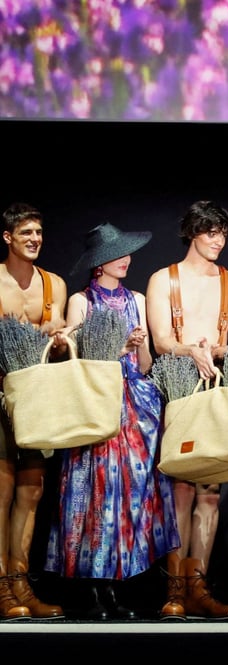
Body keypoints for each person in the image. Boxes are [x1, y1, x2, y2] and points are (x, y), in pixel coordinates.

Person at [44, 223, 180, 620]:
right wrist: (119, 346)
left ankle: (120, 584)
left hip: (134, 405)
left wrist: (137, 349)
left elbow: (145, 365)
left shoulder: (136, 299)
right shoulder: (81, 302)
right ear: (98, 262)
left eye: (126, 252)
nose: (125, 259)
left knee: (130, 495)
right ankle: (94, 586)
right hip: (97, 402)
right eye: (117, 253)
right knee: (97, 492)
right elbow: (79, 359)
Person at [146, 199, 228, 620]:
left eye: (223, 233)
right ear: (192, 232)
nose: (217, 240)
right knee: (179, 490)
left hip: (218, 387)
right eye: (210, 232)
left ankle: (198, 586)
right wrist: (189, 349)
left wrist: (214, 348)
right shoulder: (163, 280)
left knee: (210, 493)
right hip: (177, 388)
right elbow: (160, 342)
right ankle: (174, 586)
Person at [0, 202, 68, 621]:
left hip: (38, 395)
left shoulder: (52, 284)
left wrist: (58, 338)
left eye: (38, 233)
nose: (34, 240)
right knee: (2, 490)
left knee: (32, 490)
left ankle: (20, 581)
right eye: (26, 233)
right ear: (8, 237)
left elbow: (55, 332)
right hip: (1, 394)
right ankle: (0, 587)